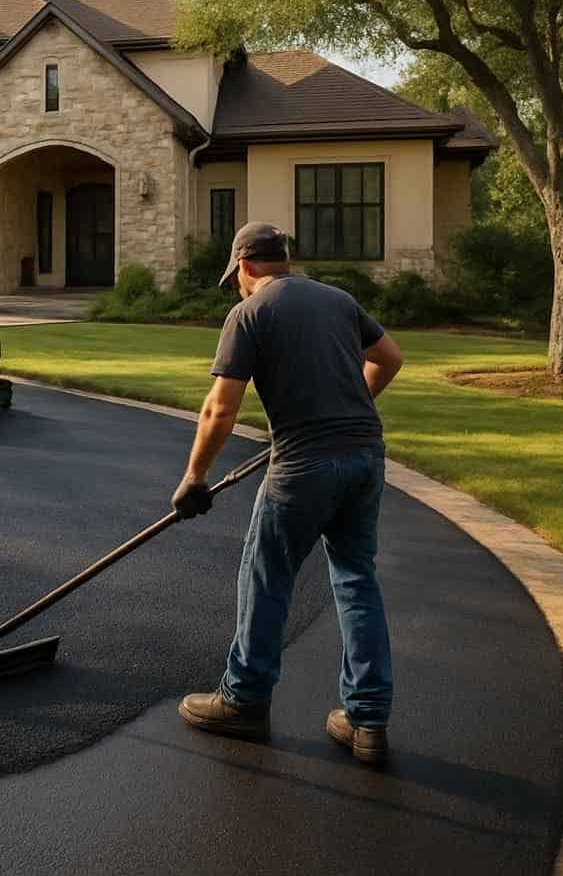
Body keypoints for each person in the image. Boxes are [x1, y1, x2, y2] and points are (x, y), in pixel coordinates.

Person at [172, 221, 404, 764]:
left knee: (267, 577)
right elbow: (389, 358)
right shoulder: (338, 300)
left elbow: (219, 409)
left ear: (245, 266)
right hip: (365, 456)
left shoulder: (250, 312)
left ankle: (244, 700)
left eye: (236, 277)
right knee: (356, 580)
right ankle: (368, 720)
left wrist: (194, 479)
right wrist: (347, 409)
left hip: (302, 464)